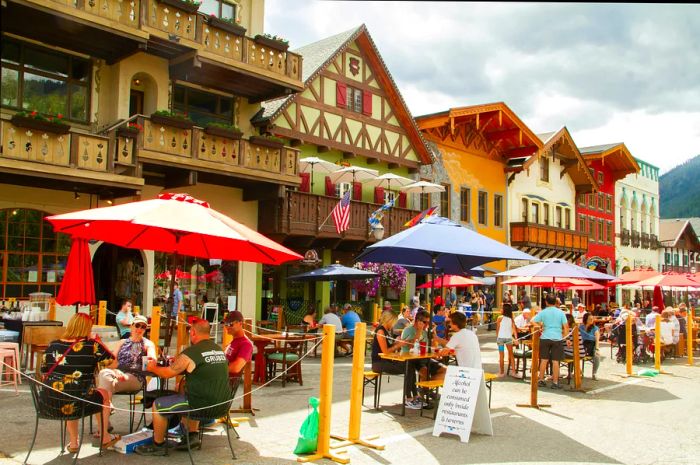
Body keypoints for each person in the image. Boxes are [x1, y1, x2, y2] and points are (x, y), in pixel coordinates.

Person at [136, 318, 230, 455]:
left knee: (158, 404)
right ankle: (192, 436)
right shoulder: (219, 350)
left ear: (192, 333)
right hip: (222, 406)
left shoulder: (192, 352)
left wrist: (153, 367)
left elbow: (167, 373)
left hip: (200, 406)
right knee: (186, 388)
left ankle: (158, 445)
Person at [41, 313, 120, 452]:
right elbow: (114, 363)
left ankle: (73, 443)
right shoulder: (92, 346)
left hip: (50, 401)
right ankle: (105, 436)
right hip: (79, 400)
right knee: (102, 394)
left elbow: (43, 371)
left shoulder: (53, 345)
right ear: (86, 328)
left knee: (69, 394)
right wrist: (99, 343)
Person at [97, 314, 157, 432]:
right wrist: (115, 371)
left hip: (135, 377)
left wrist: (151, 358)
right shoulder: (122, 342)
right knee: (103, 380)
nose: (139, 329)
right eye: (137, 325)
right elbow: (112, 362)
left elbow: (152, 359)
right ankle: (106, 419)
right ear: (131, 326)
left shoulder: (147, 344)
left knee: (102, 385)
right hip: (117, 376)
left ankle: (103, 427)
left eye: (143, 327)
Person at [532, 294, 569, 390]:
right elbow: (566, 327)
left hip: (545, 336)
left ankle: (541, 379)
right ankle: (555, 382)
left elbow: (532, 321)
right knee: (556, 361)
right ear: (556, 302)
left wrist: (540, 327)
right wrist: (565, 337)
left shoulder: (543, 312)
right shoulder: (561, 313)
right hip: (557, 337)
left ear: (546, 302)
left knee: (544, 360)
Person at [222, 311, 253, 384]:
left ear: (240, 323)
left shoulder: (246, 344)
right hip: (220, 381)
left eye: (230, 324)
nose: (227, 327)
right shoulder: (234, 341)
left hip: (225, 385)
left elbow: (236, 368)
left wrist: (214, 368)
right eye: (225, 324)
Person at [496, 303, 517, 377]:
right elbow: (514, 330)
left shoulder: (499, 318)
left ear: (504, 310)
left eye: (502, 308)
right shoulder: (511, 319)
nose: (500, 309)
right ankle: (514, 372)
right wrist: (516, 339)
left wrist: (497, 337)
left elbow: (497, 329)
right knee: (511, 355)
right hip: (508, 338)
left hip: (500, 338)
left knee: (501, 355)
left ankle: (501, 372)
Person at [580, 313, 601, 380]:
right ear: (585, 319)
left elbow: (597, 339)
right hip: (582, 345)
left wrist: (597, 348)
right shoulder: (581, 327)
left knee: (597, 356)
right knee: (572, 353)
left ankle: (594, 373)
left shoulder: (595, 328)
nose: (592, 320)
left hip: (591, 345)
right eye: (590, 319)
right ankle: (576, 372)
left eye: (592, 319)